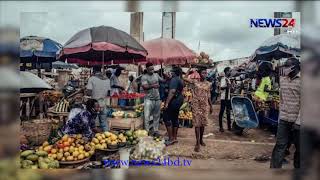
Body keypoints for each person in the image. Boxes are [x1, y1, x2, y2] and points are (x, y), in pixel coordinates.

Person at [270, 57, 301, 169]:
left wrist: (298, 122)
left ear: (295, 67)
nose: (285, 68)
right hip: (284, 119)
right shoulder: (283, 79)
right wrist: (280, 117)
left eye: (288, 66)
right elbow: (281, 99)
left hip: (299, 121)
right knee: (280, 145)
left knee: (300, 148)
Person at [185, 68, 213, 152]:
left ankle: (201, 139)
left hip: (204, 105)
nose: (205, 74)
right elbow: (184, 77)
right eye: (203, 73)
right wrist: (190, 70)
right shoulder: (194, 82)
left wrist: (211, 106)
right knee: (197, 124)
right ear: (199, 74)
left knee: (203, 123)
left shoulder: (208, 84)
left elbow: (209, 96)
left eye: (206, 73)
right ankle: (197, 142)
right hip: (196, 105)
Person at [141, 62, 165, 136]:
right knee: (147, 116)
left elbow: (163, 81)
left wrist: (166, 77)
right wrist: (153, 86)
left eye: (153, 69)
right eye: (150, 69)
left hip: (157, 99)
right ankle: (147, 131)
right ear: (147, 69)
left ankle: (155, 130)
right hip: (148, 99)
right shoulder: (144, 77)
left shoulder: (156, 75)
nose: (152, 70)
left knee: (156, 116)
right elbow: (144, 86)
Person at [164, 67, 184, 146]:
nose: (170, 73)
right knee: (175, 118)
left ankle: (170, 139)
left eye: (171, 71)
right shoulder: (180, 79)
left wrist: (167, 103)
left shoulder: (174, 79)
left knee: (166, 117)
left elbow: (172, 91)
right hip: (179, 99)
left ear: (174, 72)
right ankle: (174, 138)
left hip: (174, 100)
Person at [86, 66, 111, 131]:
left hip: (94, 105)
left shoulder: (92, 79)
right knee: (104, 123)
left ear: (93, 71)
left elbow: (88, 93)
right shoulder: (107, 80)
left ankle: (92, 137)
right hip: (103, 104)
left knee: (91, 123)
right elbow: (108, 93)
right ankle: (107, 135)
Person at [218, 67, 232, 132]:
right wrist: (227, 86)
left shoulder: (228, 79)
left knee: (228, 112)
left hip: (228, 98)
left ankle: (229, 127)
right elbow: (221, 88)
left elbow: (229, 88)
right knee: (222, 112)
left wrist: (231, 87)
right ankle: (221, 127)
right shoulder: (223, 79)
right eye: (229, 71)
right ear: (226, 72)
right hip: (223, 98)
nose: (230, 72)